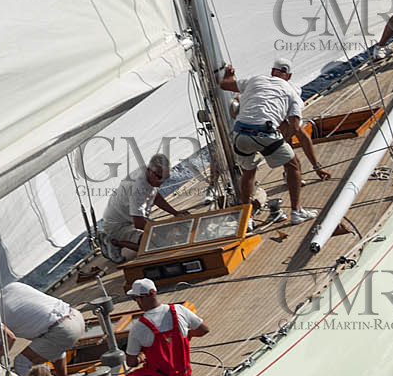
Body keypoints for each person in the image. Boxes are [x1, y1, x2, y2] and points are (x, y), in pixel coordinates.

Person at [218, 58, 331, 225]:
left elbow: (225, 84)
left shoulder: (255, 80)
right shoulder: (291, 91)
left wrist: (228, 73)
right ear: (289, 76)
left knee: (248, 173)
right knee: (294, 165)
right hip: (265, 132)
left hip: (240, 133)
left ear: (272, 72)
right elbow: (295, 126)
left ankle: (247, 219)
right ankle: (297, 211)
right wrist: (284, 141)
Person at [116, 278, 209, 376]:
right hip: (185, 375)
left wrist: (142, 357)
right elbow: (204, 329)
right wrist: (188, 334)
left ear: (139, 299)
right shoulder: (178, 309)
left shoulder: (139, 327)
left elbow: (131, 362)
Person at [98, 152, 190, 261]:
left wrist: (175, 213)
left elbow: (155, 196)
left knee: (160, 237)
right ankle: (113, 241)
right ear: (150, 171)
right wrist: (162, 232)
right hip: (117, 225)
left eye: (166, 177)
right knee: (154, 245)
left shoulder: (149, 176)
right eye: (160, 177)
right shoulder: (137, 188)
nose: (162, 181)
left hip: (130, 217)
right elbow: (139, 223)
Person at [0, 281, 88, 376]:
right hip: (75, 316)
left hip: (62, 331)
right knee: (54, 348)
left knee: (21, 362)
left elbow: (6, 342)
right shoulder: (13, 286)